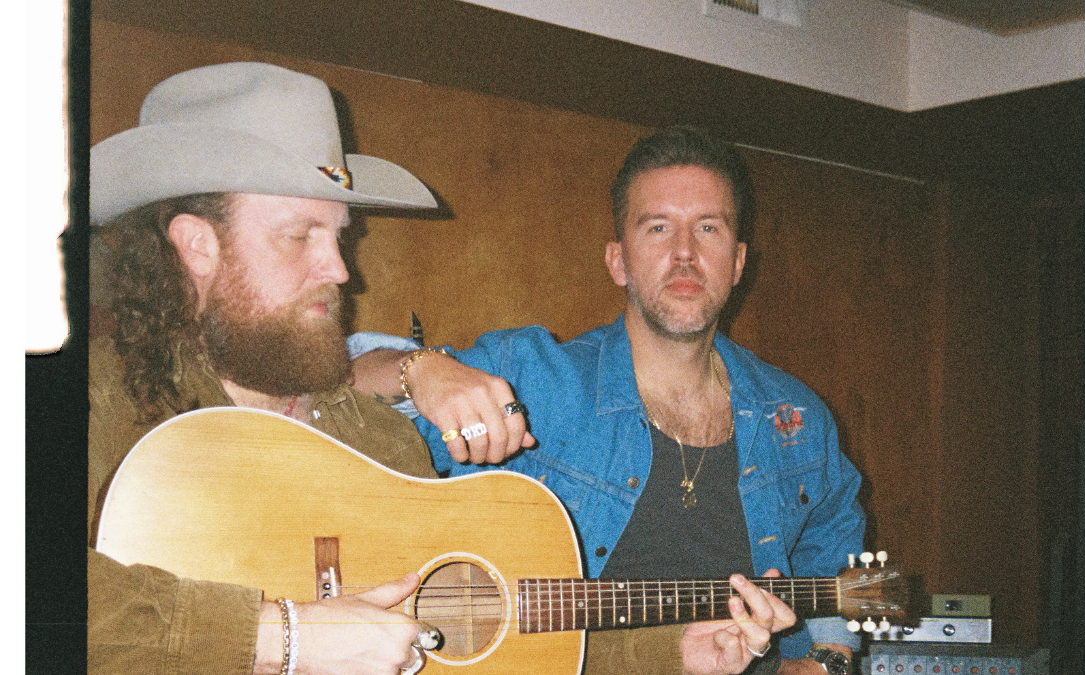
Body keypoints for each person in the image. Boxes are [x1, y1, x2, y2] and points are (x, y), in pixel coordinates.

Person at [88, 63, 792, 675]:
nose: (339, 268)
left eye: (339, 237)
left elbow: (479, 630)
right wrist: (286, 636)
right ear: (197, 246)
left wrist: (672, 652)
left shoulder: (380, 442)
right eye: (301, 235)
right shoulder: (90, 403)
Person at [351, 126, 867, 675]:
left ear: (738, 262)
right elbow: (327, 393)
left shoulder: (795, 416)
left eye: (708, 228)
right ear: (618, 261)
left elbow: (834, 540)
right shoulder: (534, 379)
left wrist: (826, 659)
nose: (685, 253)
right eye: (658, 228)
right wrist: (420, 369)